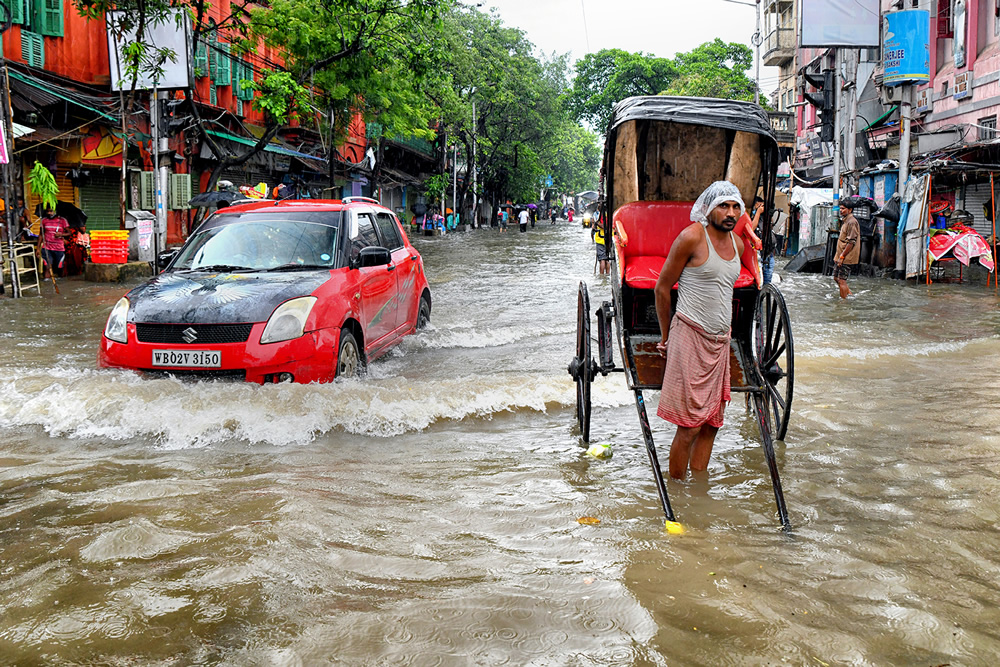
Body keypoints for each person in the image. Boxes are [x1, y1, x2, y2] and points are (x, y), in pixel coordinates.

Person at [653, 181, 746, 480]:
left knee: (711, 424)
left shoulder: (738, 244)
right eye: (723, 206)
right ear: (708, 208)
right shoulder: (692, 237)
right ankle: (677, 489)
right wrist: (667, 336)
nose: (730, 213)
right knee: (690, 424)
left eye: (735, 207)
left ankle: (699, 490)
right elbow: (662, 287)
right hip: (690, 334)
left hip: (720, 342)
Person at [834, 201, 861, 299]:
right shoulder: (846, 220)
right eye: (840, 208)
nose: (841, 210)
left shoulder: (852, 222)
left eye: (843, 208)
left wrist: (842, 256)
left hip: (846, 256)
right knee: (836, 278)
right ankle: (849, 294)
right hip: (841, 254)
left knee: (842, 280)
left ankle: (843, 302)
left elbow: (851, 242)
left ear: (850, 210)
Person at [37, 206, 72, 279]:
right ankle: (47, 283)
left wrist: (61, 234)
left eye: (51, 211)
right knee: (47, 267)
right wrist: (38, 248)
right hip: (47, 247)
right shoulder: (44, 220)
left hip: (59, 248)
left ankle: (61, 282)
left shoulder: (62, 220)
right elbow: (41, 234)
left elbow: (69, 233)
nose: (49, 213)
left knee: (59, 267)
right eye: (48, 211)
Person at [591, 209, 609, 275]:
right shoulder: (610, 214)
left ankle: (602, 275)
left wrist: (597, 223)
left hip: (601, 240)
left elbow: (604, 226)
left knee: (602, 260)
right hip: (607, 240)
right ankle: (607, 274)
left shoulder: (604, 215)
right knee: (607, 259)